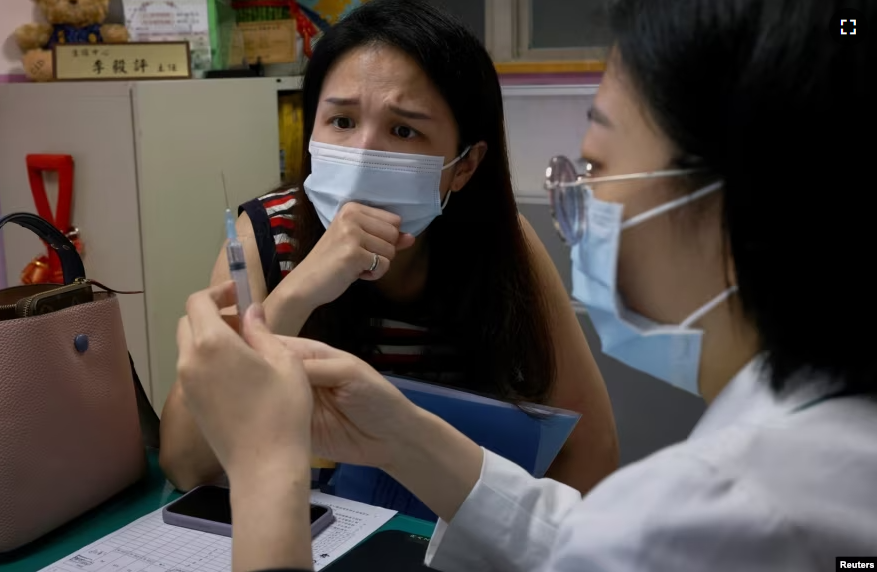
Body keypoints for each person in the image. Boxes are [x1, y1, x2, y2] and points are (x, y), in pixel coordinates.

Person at [174, 0, 877, 569]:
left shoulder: (711, 514)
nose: (579, 202)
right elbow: (574, 538)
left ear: (723, 206)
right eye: (342, 120)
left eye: (596, 166)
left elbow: (617, 533)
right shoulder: (823, 449)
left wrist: (269, 470)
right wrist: (399, 432)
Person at [159, 0, 619, 517]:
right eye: (341, 120)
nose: (361, 153)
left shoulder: (504, 246)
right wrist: (299, 293)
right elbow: (184, 463)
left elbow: (592, 448)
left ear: (464, 166)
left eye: (404, 130)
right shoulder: (267, 237)